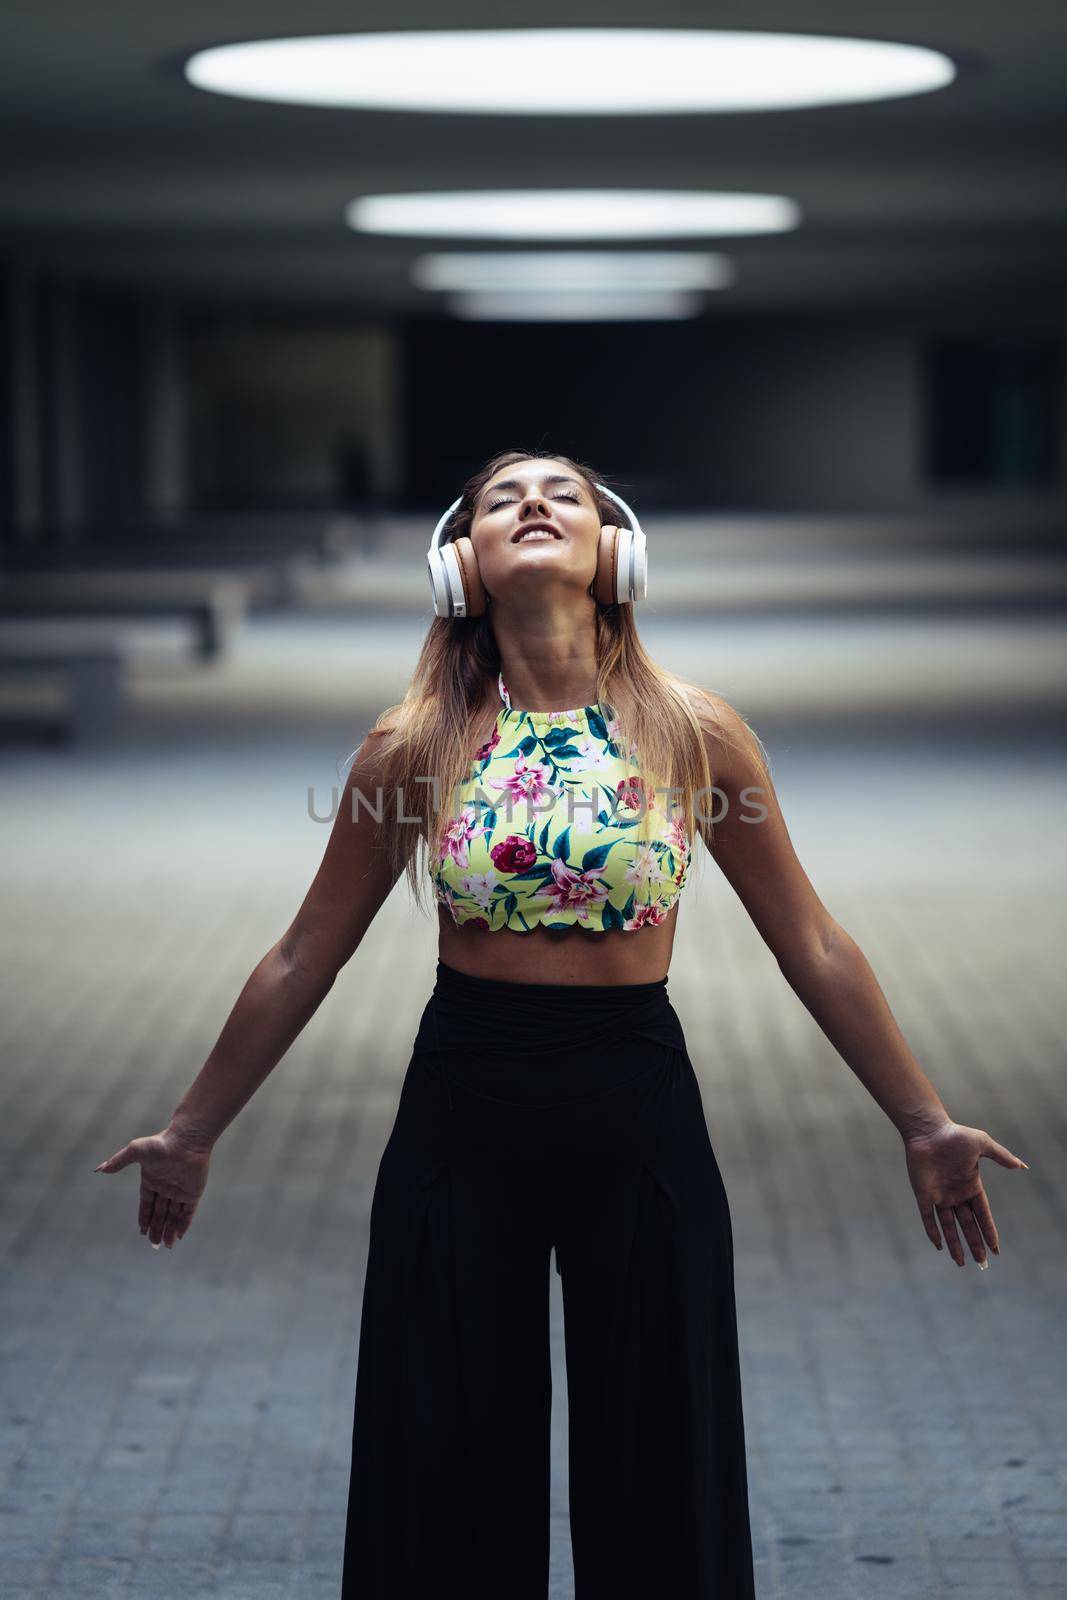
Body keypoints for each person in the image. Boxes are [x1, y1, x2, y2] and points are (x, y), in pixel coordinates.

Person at [94, 448, 1028, 1600]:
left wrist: (920, 1118)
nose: (532, 505)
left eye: (563, 495)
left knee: (659, 1441)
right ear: (461, 566)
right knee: (442, 1443)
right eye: (500, 499)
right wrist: (192, 1130)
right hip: (461, 1103)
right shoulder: (410, 746)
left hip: (634, 1101)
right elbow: (302, 952)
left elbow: (813, 940)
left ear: (613, 552)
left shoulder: (695, 735)